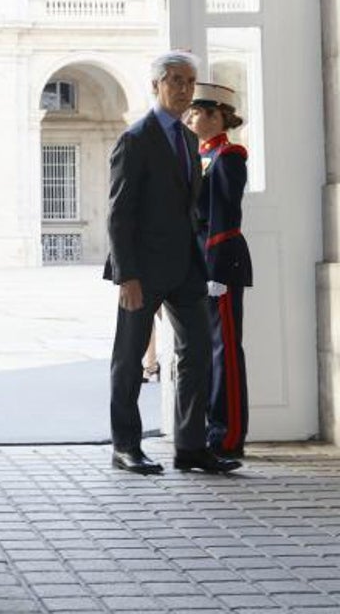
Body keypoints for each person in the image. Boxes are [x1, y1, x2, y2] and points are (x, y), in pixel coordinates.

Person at [104, 51, 242, 476]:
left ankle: (191, 447)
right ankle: (126, 447)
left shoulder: (187, 138)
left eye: (189, 82)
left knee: (197, 353)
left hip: (186, 268)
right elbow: (119, 212)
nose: (183, 89)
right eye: (175, 81)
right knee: (130, 358)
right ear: (155, 86)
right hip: (142, 270)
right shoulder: (136, 138)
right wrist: (127, 275)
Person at [183, 82, 253, 458]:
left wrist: (214, 271)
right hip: (200, 261)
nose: (190, 119)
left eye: (196, 113)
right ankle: (211, 427)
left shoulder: (228, 156)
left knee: (224, 349)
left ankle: (227, 436)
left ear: (216, 116)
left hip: (220, 263)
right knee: (207, 350)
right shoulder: (201, 156)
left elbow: (225, 218)